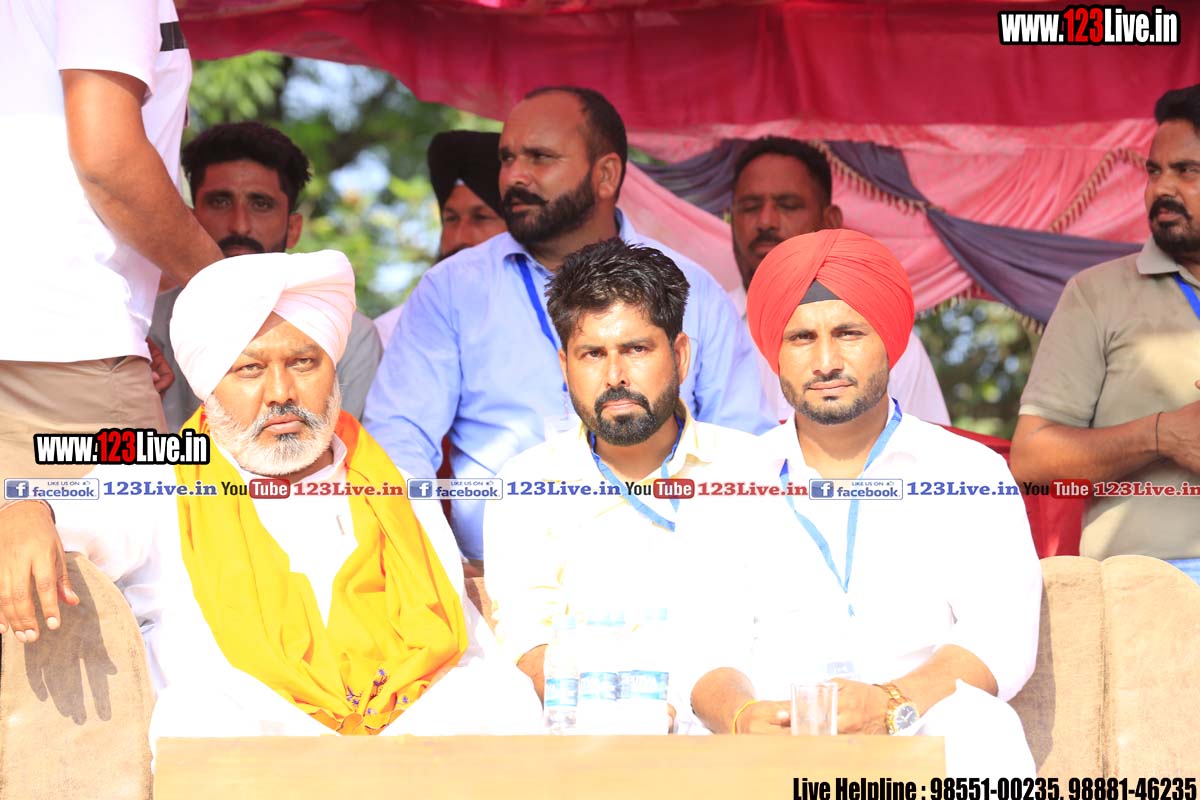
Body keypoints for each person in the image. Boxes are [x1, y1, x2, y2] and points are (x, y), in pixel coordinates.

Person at [0, 251, 540, 741]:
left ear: (332, 370)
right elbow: (63, 506)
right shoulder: (158, 464)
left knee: (494, 700)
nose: (281, 393)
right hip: (244, 753)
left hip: (405, 740)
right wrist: (24, 510)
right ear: (209, 385)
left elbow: (460, 645)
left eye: (303, 363)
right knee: (201, 715)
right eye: (250, 369)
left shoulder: (393, 483)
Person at [365, 86, 773, 566]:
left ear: (606, 175)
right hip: (493, 579)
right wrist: (434, 566)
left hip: (673, 569)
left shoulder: (693, 289)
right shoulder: (452, 289)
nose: (514, 176)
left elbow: (744, 445)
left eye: (540, 158)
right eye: (507, 158)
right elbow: (398, 441)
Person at [690, 230, 1041, 776]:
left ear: (890, 341)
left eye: (848, 333)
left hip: (920, 731)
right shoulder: (726, 486)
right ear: (775, 352)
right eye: (801, 338)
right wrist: (741, 717)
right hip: (772, 750)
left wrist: (889, 704)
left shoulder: (969, 473)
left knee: (981, 725)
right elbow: (702, 653)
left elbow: (1000, 638)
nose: (825, 361)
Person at [484, 238, 759, 731]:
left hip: (733, 742)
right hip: (588, 746)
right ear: (564, 365)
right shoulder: (525, 485)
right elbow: (528, 642)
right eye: (592, 353)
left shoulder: (751, 470)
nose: (614, 376)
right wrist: (617, 714)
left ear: (680, 355)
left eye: (636, 349)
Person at [0, 0, 223, 478]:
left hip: (52, 347)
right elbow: (109, 161)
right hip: (63, 351)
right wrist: (236, 295)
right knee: (122, 526)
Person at [1011, 84, 1200, 579]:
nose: (1162, 189)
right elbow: (1031, 460)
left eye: (1187, 170)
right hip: (1146, 584)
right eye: (1154, 171)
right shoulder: (1096, 293)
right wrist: (1162, 435)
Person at [150, 122, 383, 428]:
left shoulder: (351, 337)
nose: (240, 225)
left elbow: (340, 450)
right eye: (220, 202)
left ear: (293, 228)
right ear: (189, 220)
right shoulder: (147, 325)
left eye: (261, 204)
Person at [730, 137, 949, 424]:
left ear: (830, 221)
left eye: (788, 205)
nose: (766, 221)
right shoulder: (699, 327)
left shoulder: (889, 342)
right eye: (750, 207)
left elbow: (928, 446)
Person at [375, 130, 507, 346]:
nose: (459, 237)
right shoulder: (391, 333)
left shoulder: (555, 319)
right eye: (451, 219)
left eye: (481, 218)